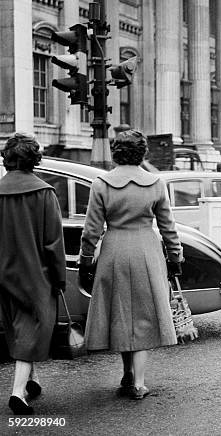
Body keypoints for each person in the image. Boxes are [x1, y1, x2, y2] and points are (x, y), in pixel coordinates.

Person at [79, 129, 183, 400]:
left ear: (116, 152)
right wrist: (175, 257)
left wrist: (86, 260)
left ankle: (127, 374)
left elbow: (91, 230)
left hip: (113, 250)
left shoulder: (101, 184)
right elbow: (168, 228)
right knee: (145, 317)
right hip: (147, 251)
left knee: (122, 314)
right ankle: (137, 382)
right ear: (142, 153)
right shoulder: (156, 183)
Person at [0, 133, 66, 415]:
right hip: (35, 274)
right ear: (34, 160)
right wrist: (59, 278)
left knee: (17, 327)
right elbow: (54, 243)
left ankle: (31, 380)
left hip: (3, 273)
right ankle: (17, 393)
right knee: (35, 326)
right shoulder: (44, 193)